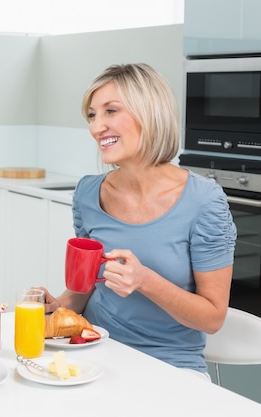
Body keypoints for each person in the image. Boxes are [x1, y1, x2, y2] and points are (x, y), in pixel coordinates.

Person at [40, 63, 236, 377]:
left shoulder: (203, 201)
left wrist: (144, 280)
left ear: (149, 113)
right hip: (93, 351)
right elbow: (85, 288)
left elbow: (212, 319)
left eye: (110, 111)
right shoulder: (88, 194)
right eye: (92, 115)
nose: (96, 127)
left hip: (170, 366)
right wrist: (58, 305)